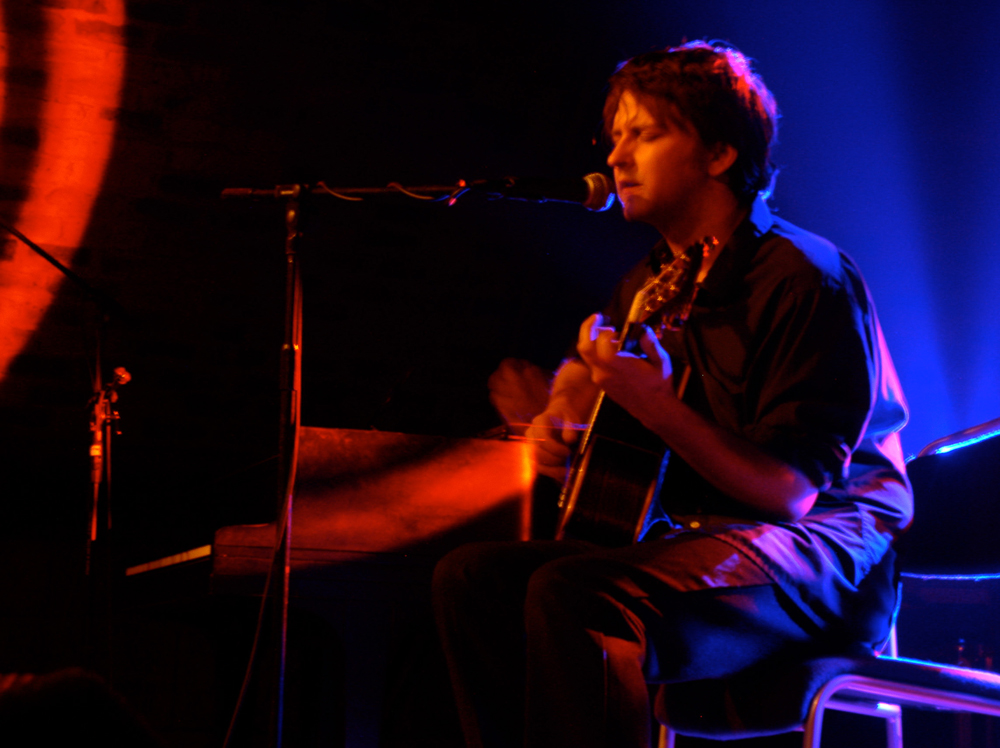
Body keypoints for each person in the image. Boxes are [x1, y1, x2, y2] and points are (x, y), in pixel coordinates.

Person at [433, 41, 912, 748]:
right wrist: (564, 437)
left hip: (823, 560)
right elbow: (627, 455)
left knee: (578, 596)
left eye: (646, 134)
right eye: (615, 136)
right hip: (707, 543)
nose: (617, 157)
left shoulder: (805, 276)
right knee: (473, 577)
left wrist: (652, 404)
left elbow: (787, 493)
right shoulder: (648, 287)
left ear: (718, 154)